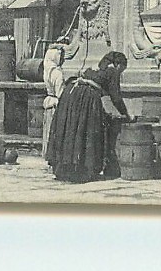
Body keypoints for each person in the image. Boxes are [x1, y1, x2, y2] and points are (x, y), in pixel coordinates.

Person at [46, 51, 133, 183]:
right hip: (86, 97)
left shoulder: (97, 68)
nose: (121, 73)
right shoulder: (112, 72)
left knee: (71, 129)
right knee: (87, 131)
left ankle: (66, 168)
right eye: (122, 69)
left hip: (70, 94)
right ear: (118, 65)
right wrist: (127, 114)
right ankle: (83, 170)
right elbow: (116, 98)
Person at [40, 45, 69, 160]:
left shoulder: (47, 71)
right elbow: (60, 92)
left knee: (48, 129)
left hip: (49, 100)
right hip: (56, 102)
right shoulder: (58, 73)